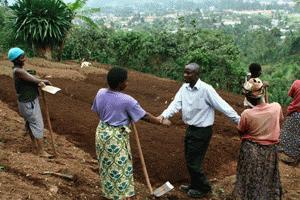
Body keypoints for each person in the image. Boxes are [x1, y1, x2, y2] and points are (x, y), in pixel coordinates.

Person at [158, 63, 240, 198]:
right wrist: (163, 116)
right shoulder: (184, 88)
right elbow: (175, 105)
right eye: (184, 72)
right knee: (190, 158)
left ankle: (204, 188)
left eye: (189, 73)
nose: (185, 75)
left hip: (202, 131)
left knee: (193, 161)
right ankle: (195, 184)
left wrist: (239, 120)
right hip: (191, 129)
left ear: (197, 74)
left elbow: (223, 106)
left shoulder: (206, 89)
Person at [91, 67, 170, 200]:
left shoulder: (100, 92)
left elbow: (97, 110)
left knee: (106, 165)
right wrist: (160, 121)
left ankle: (110, 193)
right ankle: (122, 196)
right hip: (115, 137)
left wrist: (114, 117)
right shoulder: (127, 100)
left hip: (102, 131)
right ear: (120, 83)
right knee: (120, 166)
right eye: (126, 81)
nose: (127, 83)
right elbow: (145, 116)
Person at [233, 78, 283, 200]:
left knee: (250, 179)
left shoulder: (247, 114)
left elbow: (241, 131)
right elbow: (279, 121)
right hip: (271, 151)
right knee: (267, 177)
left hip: (251, 151)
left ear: (249, 98)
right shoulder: (276, 107)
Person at [8, 47, 52, 157]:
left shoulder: (19, 70)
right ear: (17, 59)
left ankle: (35, 146)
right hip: (29, 103)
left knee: (30, 123)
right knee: (37, 124)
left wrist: (39, 81)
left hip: (26, 102)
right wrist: (44, 81)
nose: (25, 59)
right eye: (22, 57)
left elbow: (31, 78)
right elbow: (34, 80)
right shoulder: (18, 71)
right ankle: (41, 151)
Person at [279, 80, 300, 165]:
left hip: (296, 112)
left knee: (288, 134)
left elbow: (291, 94)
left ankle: (291, 157)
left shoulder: (297, 83)